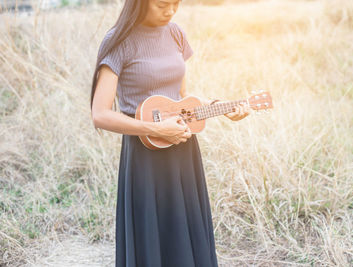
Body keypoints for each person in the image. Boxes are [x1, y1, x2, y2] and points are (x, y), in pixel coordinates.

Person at [90, 0, 251, 266]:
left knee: (185, 229)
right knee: (153, 234)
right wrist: (154, 128)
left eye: (175, 3)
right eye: (162, 4)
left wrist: (221, 108)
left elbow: (182, 98)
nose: (170, 11)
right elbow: (100, 114)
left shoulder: (175, 33)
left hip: (184, 148)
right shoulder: (118, 40)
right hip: (145, 155)